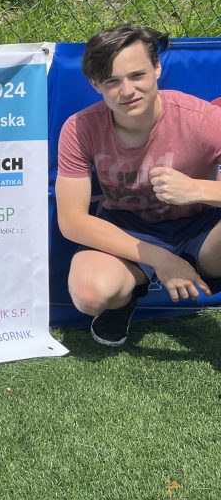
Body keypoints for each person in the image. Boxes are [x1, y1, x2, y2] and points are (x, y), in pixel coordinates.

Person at [56, 24, 221, 346]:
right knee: (90, 293)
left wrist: (197, 190)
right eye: (112, 81)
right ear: (95, 85)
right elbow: (72, 221)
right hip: (130, 228)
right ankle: (129, 293)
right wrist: (161, 258)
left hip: (203, 229)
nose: (127, 90)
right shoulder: (80, 128)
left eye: (137, 75)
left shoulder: (203, 119)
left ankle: (196, 266)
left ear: (157, 68)